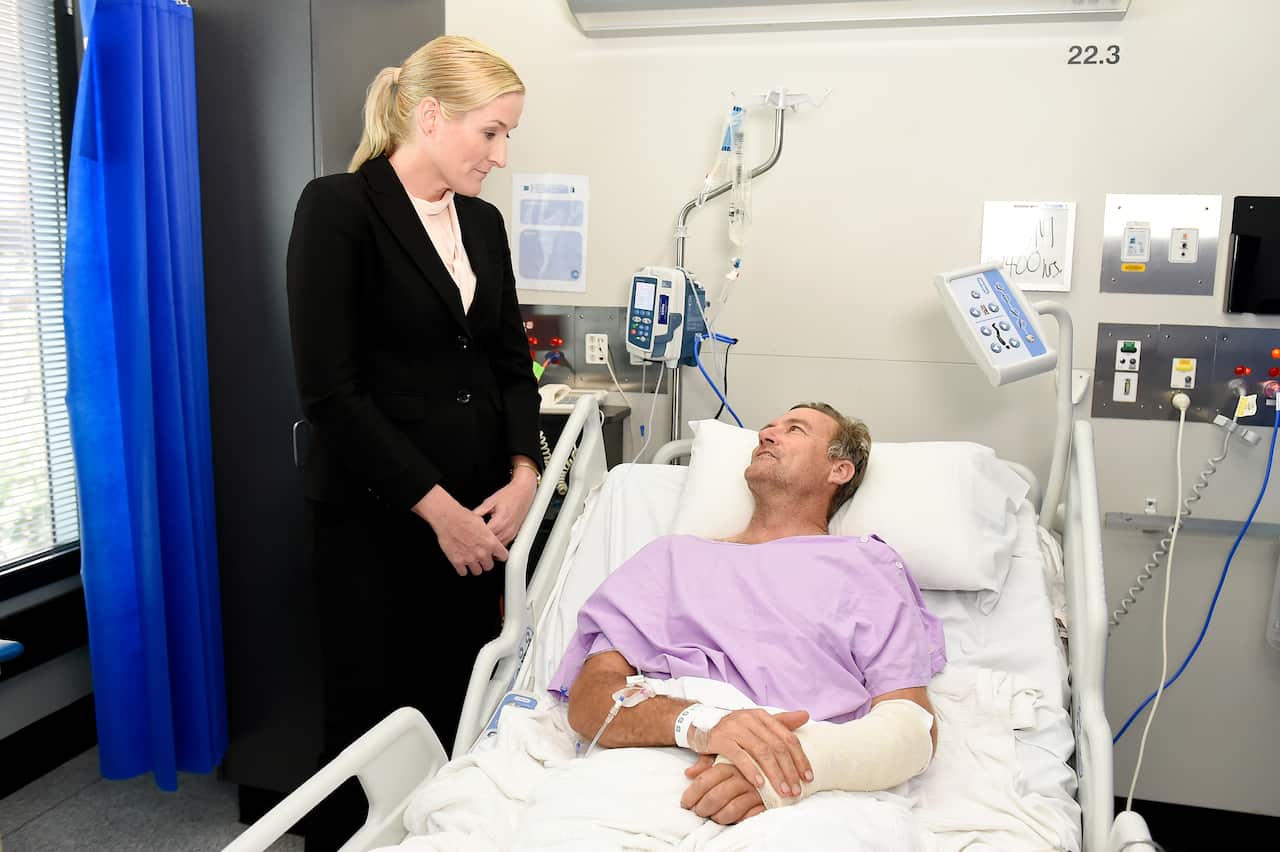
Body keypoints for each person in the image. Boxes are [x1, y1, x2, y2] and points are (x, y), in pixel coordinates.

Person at [286, 35, 541, 849]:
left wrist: (527, 468)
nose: (501, 155)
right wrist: (441, 513)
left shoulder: (484, 225)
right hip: (378, 518)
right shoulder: (339, 210)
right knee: (372, 724)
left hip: (475, 518)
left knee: (451, 708)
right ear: (430, 116)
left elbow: (509, 364)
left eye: (508, 136)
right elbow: (331, 393)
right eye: (491, 133)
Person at [551, 403, 946, 827]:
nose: (767, 434)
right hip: (664, 759)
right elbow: (590, 701)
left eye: (794, 429)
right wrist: (702, 723)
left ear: (839, 470)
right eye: (768, 427)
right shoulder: (672, 558)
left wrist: (789, 769)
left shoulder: (867, 565)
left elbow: (912, 728)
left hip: (809, 786)